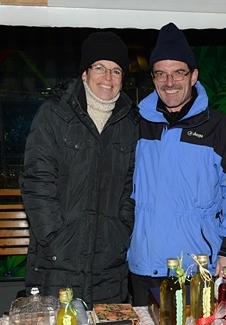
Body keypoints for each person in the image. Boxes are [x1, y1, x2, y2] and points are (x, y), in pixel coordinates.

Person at [128, 22, 226, 306]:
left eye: (178, 73)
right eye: (161, 73)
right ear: (153, 78)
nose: (169, 82)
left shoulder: (219, 129)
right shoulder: (136, 124)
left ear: (194, 75)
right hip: (144, 267)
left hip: (197, 269)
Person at [20, 31, 139, 306]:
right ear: (85, 73)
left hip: (109, 265)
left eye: (116, 70)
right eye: (100, 68)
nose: (108, 77)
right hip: (58, 262)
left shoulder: (130, 124)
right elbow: (36, 183)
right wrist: (55, 238)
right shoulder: (54, 115)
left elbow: (131, 188)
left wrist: (120, 233)